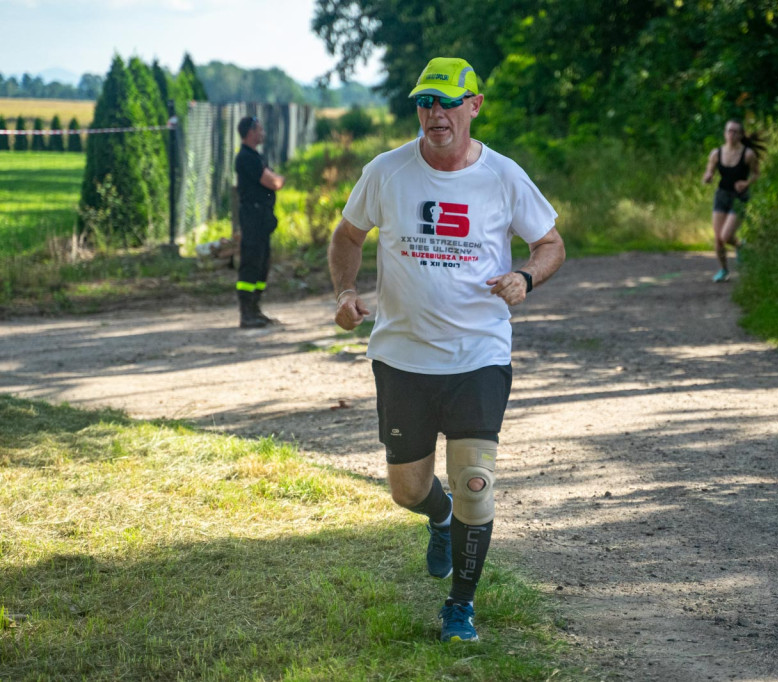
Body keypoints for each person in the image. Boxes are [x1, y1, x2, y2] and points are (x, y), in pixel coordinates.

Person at [328, 57, 565, 643]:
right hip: (403, 356)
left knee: (476, 485)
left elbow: (551, 242)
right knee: (408, 489)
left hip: (478, 354)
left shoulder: (504, 176)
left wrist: (527, 277)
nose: (435, 113)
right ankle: (437, 517)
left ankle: (460, 606)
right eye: (425, 103)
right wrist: (344, 291)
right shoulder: (387, 171)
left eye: (447, 102)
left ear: (473, 106)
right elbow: (348, 234)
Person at [234, 116, 285, 327]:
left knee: (263, 263)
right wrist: (278, 179)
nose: (263, 133)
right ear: (251, 132)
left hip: (262, 217)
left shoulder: (256, 156)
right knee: (251, 263)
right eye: (260, 129)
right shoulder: (246, 157)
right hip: (253, 217)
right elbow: (273, 182)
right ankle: (246, 313)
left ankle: (256, 308)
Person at [702, 119, 764, 283]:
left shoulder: (748, 154)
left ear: (741, 135)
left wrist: (746, 183)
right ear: (724, 133)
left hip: (739, 198)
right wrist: (708, 177)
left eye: (735, 132)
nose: (731, 134)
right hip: (722, 195)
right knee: (718, 239)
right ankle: (724, 270)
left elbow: (756, 174)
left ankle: (741, 245)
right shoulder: (716, 154)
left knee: (726, 235)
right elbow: (709, 172)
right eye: (729, 131)